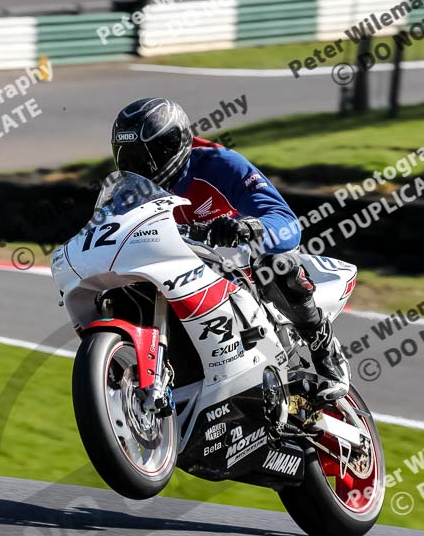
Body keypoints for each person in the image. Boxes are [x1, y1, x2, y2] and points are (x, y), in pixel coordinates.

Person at [111, 97, 349, 401]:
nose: (140, 169)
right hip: (179, 271)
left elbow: (287, 222)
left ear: (173, 145)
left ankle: (324, 348)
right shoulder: (128, 195)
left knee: (278, 267)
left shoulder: (218, 164)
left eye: (147, 157)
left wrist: (250, 227)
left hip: (242, 266)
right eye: (128, 161)